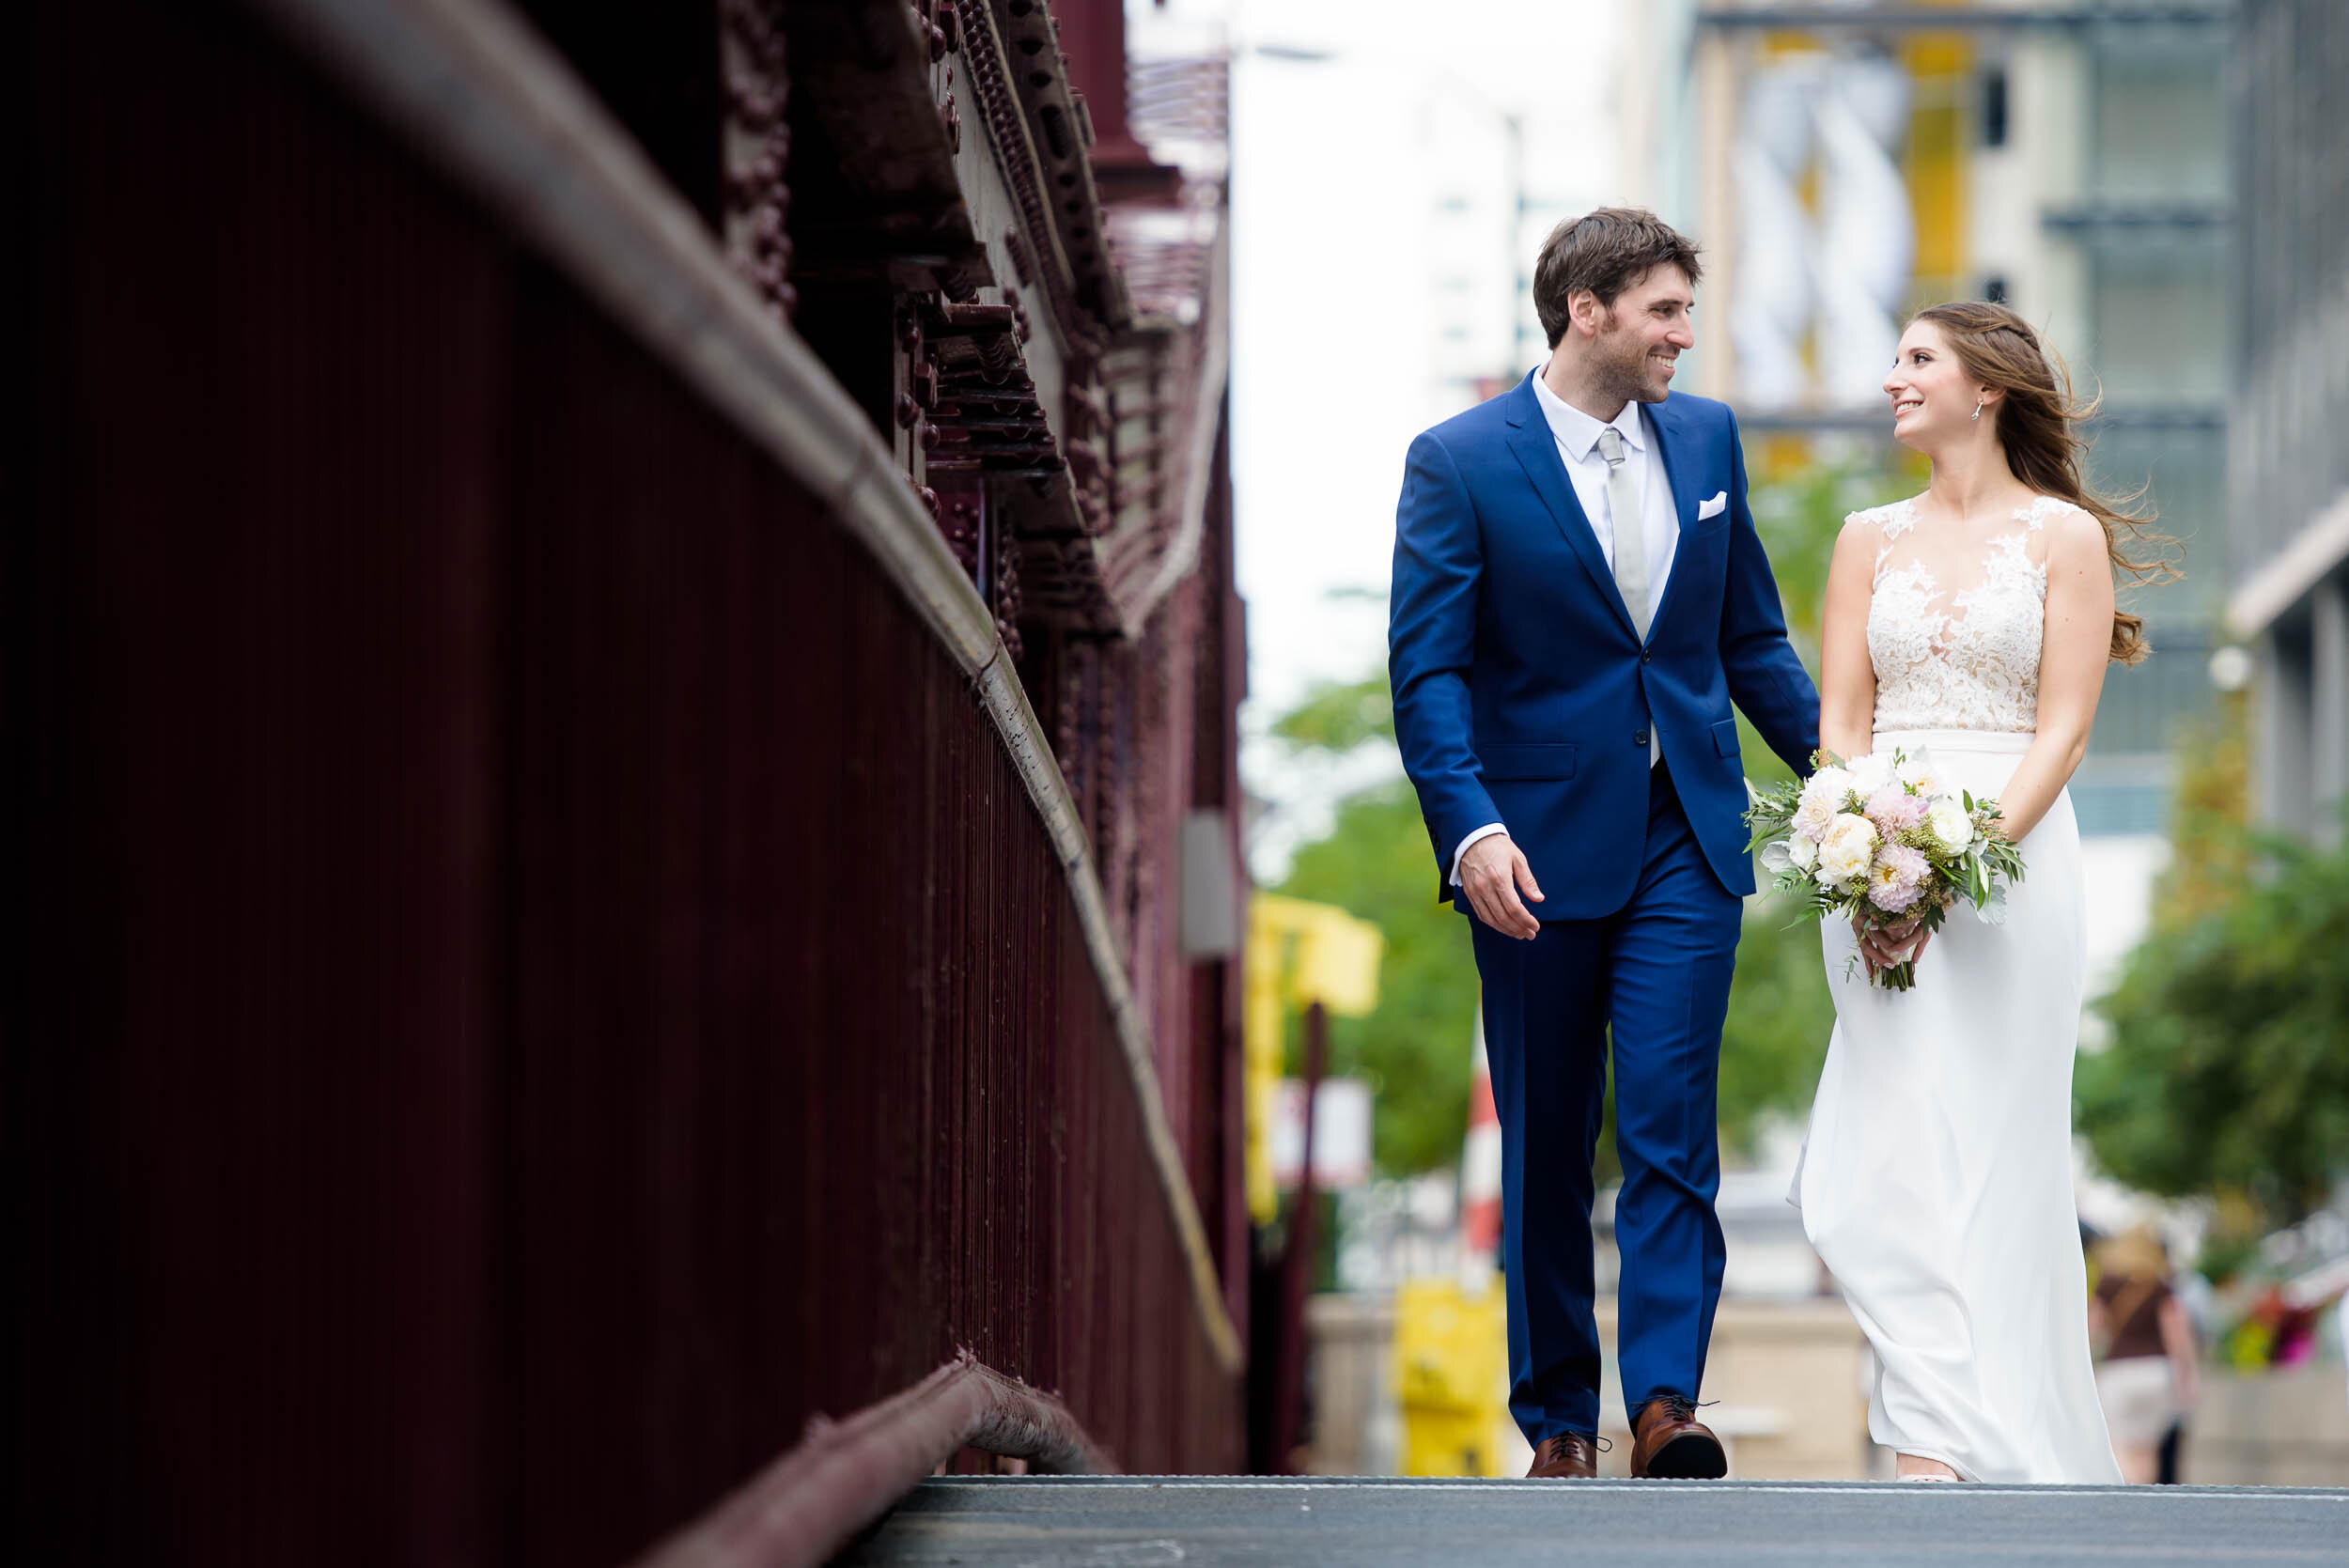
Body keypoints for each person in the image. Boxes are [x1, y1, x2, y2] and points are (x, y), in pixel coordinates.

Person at [1388, 209, 1818, 1479]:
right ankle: (1560, 1421)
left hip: (1691, 826)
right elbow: (1429, 676)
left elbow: (1749, 642)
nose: (1687, 333)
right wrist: (1466, 826)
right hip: (1529, 850)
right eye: (1667, 310)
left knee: (1674, 1121)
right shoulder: (1458, 460)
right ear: (1589, 309)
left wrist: (1855, 790)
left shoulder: (1707, 437)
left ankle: (1665, 1405)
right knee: (1549, 1135)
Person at [1789, 302, 2173, 1483]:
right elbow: (1841, 720)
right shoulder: (1865, 536)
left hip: (2011, 871)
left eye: (1917, 360)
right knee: (1875, 1158)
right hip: (1872, 868)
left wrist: (1959, 868)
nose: (1890, 378)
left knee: (1999, 1151)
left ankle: (1946, 1447)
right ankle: (1926, 1419)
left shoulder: (2061, 538)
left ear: (1987, 387)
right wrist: (1862, 850)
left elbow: (2062, 730)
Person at [2091, 1228, 2201, 1484]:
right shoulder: (2161, 1286)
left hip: (2119, 1374)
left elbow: (2090, 1330)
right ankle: (2145, 1505)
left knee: (2120, 1444)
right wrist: (2187, 1377)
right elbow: (2178, 1335)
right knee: (2147, 1450)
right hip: (2157, 1373)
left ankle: (2126, 1502)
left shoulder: (2108, 1284)